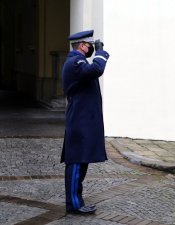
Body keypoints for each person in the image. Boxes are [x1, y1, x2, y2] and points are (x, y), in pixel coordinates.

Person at [61, 29, 110, 214]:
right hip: (79, 121)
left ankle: (77, 202)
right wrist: (100, 53)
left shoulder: (77, 61)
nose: (91, 48)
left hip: (83, 120)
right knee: (76, 162)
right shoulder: (76, 61)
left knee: (81, 163)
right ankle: (73, 204)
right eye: (89, 45)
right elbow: (97, 69)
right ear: (82, 45)